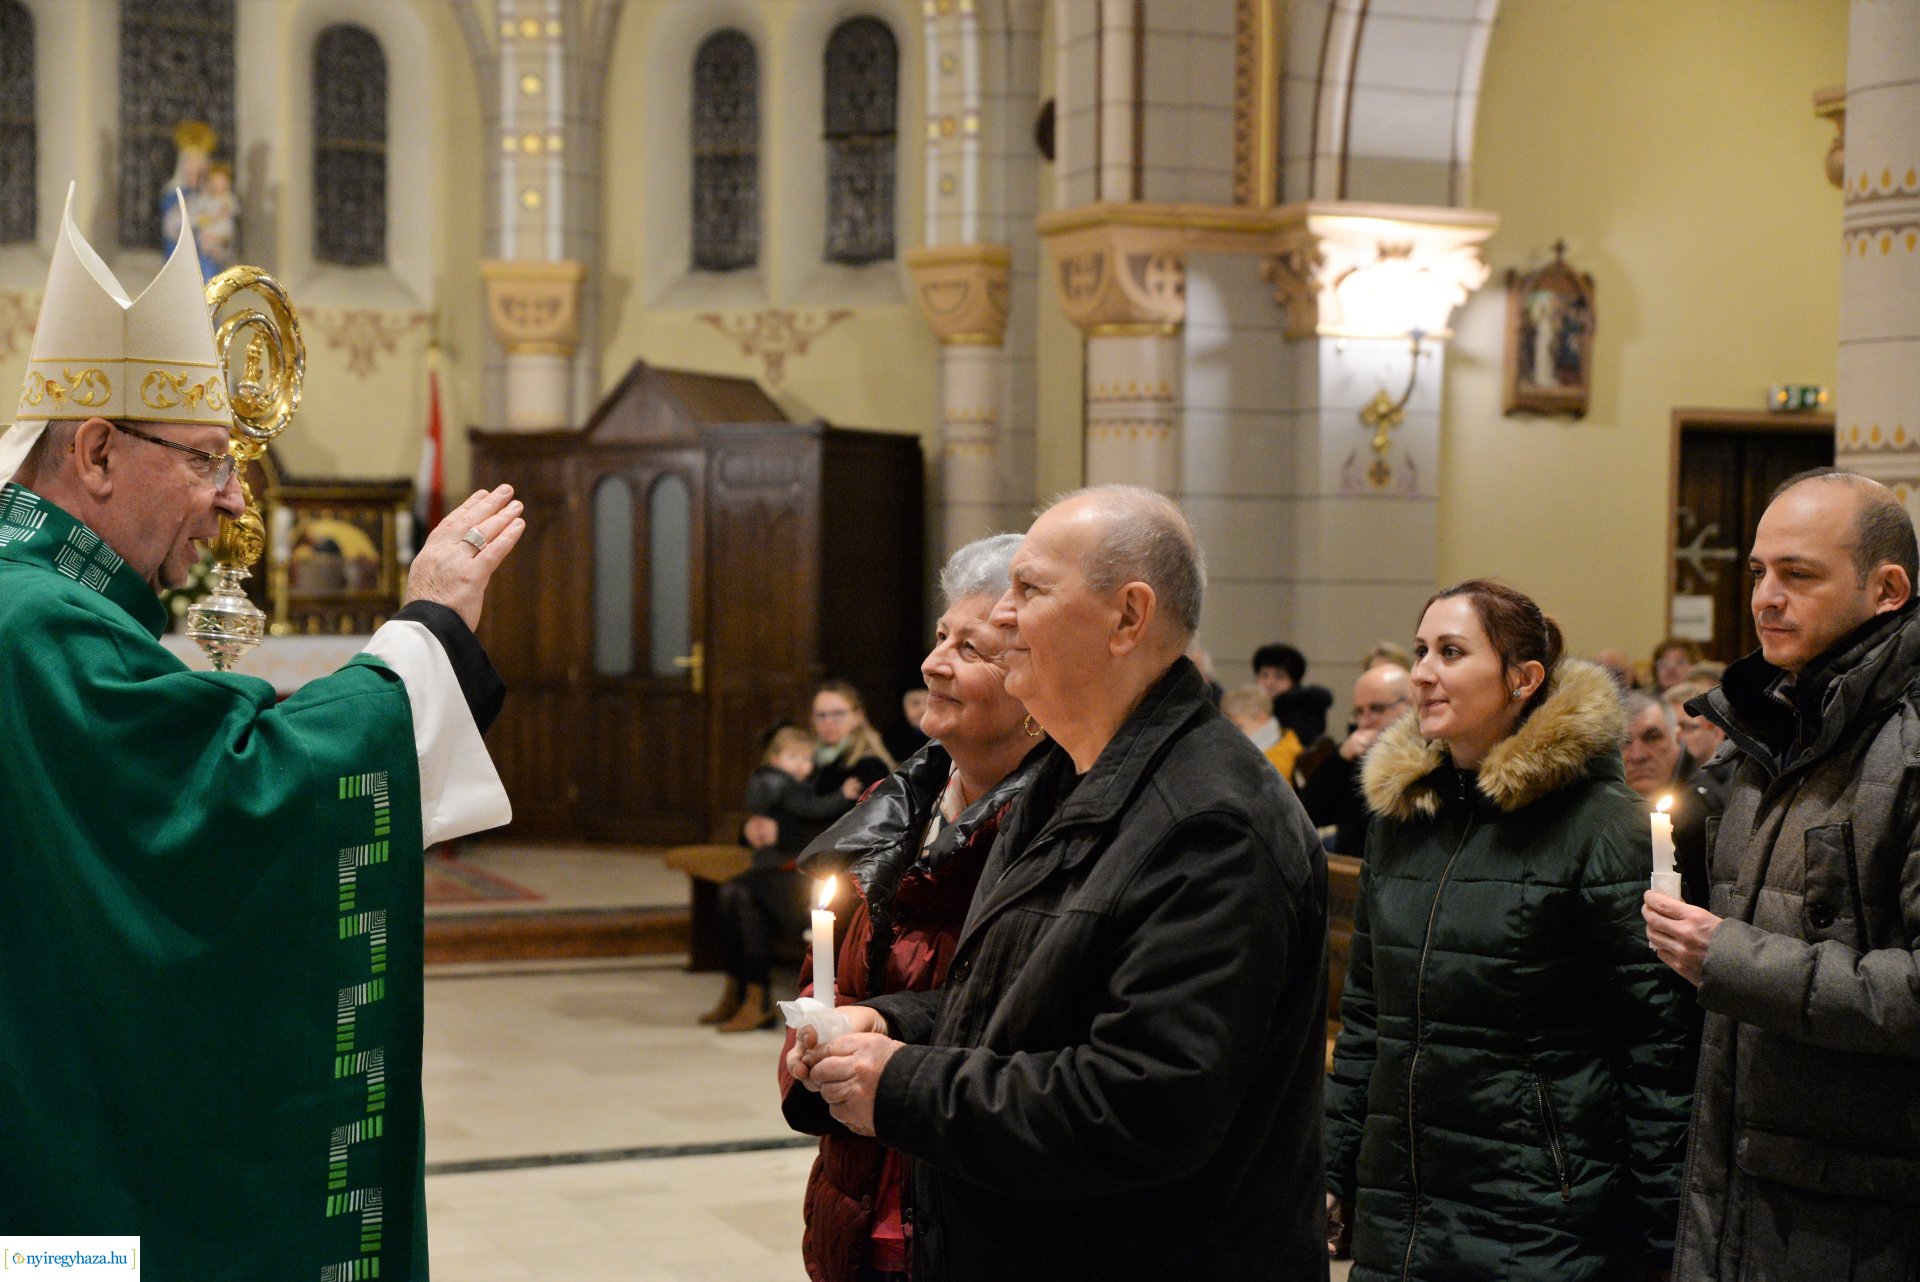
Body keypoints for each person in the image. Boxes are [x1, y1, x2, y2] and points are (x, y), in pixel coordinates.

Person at [0, 186, 521, 1277]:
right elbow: (234, 796)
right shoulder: (36, 622)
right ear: (94, 452)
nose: (235, 498)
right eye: (203, 458)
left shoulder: (42, 601)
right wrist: (423, 635)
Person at [791, 486, 1331, 1279]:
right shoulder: (1074, 779)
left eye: (1030, 589)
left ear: (1127, 618)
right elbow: (1026, 996)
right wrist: (893, 1021)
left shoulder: (1209, 822)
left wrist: (902, 1084)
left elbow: (1140, 1103)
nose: (1003, 616)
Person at [1326, 579, 1693, 1282]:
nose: (1424, 672)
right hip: (1401, 1209)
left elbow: (1654, 1049)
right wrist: (1334, 1163)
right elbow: (1368, 1019)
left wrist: (1663, 1237)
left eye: (1452, 651)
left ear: (1522, 679)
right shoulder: (1401, 823)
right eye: (1421, 650)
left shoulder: (1599, 826)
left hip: (1541, 1215)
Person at [1644, 470, 1920, 1282]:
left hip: (1862, 1222)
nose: (1766, 596)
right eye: (1759, 572)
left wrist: (1728, 960)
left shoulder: (1908, 750)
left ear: (1888, 589)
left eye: (1798, 574)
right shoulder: (1761, 732)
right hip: (1742, 1184)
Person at [779, 532, 1056, 1282]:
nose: (935, 663)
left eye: (970, 649)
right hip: (857, 1184)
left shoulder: (1052, 832)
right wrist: (811, 1049)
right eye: (940, 636)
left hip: (960, 1196)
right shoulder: (894, 806)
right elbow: (824, 973)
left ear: (1035, 678)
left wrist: (887, 1048)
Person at [704, 727, 861, 1032]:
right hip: (786, 866)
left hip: (815, 875)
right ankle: (740, 991)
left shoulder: (858, 767)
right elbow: (777, 814)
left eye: (837, 714)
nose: (827, 721)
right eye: (821, 715)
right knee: (731, 892)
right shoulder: (799, 771)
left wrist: (781, 832)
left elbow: (833, 828)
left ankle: (756, 998)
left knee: (742, 893)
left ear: (856, 717)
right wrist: (749, 831)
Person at [1296, 663, 1410, 856]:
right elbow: (1305, 817)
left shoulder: (1430, 755)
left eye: (1376, 708)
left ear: (1411, 704)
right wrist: (1340, 759)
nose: (1364, 721)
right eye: (1358, 712)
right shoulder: (1354, 755)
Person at [1255, 640, 1335, 744]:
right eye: (1264, 675)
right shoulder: (1250, 708)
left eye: (1280, 677)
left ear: (1294, 682)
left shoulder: (1304, 712)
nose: (1269, 683)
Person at [1221, 681, 1304, 778]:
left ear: (1262, 718)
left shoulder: (1279, 757)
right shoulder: (1279, 741)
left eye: (1239, 726)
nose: (1232, 733)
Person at [1622, 688, 1685, 802]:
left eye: (1652, 738)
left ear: (1678, 739)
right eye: (1624, 742)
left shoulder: (1714, 808)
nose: (1638, 755)